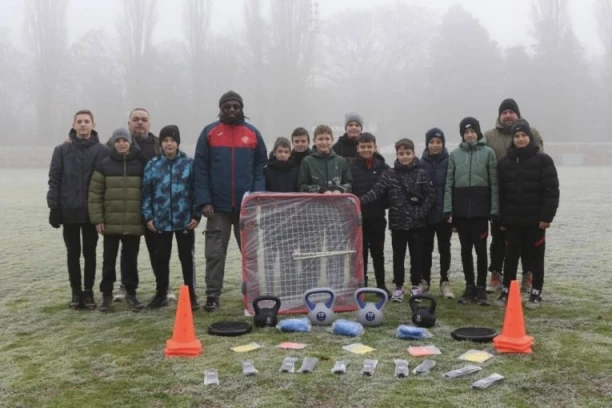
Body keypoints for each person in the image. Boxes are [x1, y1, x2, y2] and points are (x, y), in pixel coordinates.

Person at [194, 91, 268, 312]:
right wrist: (204, 200)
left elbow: (260, 167)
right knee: (215, 253)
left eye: (236, 106)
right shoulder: (209, 132)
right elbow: (200, 169)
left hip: (246, 207)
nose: (232, 110)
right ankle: (213, 296)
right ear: (221, 108)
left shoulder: (253, 133)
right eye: (227, 107)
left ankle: (254, 293)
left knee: (250, 253)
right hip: (217, 208)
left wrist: (256, 196)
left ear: (241, 108)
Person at [47, 110, 109, 309]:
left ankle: (88, 291)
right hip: (69, 210)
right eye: (79, 122)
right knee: (72, 253)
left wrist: (103, 210)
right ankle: (76, 291)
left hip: (91, 211)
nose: (83, 125)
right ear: (73, 125)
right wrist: (54, 206)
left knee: (90, 253)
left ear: (93, 124)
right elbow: (54, 180)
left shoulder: (103, 151)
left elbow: (107, 182)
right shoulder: (61, 150)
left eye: (87, 121)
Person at [361, 138, 435, 303]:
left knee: (416, 256)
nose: (404, 156)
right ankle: (399, 287)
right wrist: (359, 200)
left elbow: (431, 195)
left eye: (407, 153)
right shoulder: (389, 174)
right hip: (397, 224)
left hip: (417, 224)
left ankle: (416, 286)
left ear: (413, 154)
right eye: (401, 153)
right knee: (398, 256)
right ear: (397, 155)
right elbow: (376, 191)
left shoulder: (422, 173)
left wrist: (420, 213)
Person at [495, 119, 559, 309]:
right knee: (511, 256)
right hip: (513, 220)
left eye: (524, 135)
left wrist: (546, 217)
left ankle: (535, 293)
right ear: (512, 139)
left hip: (535, 221)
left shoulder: (543, 160)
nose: (520, 139)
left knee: (535, 258)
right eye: (517, 136)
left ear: (529, 138)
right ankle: (507, 290)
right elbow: (501, 194)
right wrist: (503, 218)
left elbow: (551, 190)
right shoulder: (505, 163)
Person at [484, 98, 544, 294]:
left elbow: (539, 162)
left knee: (527, 242)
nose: (508, 115)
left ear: (517, 114)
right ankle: (496, 274)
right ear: (500, 116)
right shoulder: (490, 136)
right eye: (504, 112)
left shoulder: (532, 132)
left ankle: (528, 275)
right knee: (498, 240)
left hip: (526, 199)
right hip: (500, 197)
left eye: (511, 112)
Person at [141, 125, 201, 311]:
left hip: (184, 220)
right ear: (161, 143)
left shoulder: (188, 164)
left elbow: (195, 191)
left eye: (172, 140)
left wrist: (196, 214)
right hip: (160, 221)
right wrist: (148, 216)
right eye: (165, 140)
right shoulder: (153, 164)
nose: (169, 144)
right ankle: (161, 294)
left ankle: (191, 294)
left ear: (177, 143)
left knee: (186, 258)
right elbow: (146, 193)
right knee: (161, 258)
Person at [89, 128, 148, 312]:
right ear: (113, 143)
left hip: (133, 222)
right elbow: (95, 194)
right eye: (118, 141)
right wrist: (98, 219)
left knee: (131, 260)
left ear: (130, 142)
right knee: (108, 261)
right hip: (110, 223)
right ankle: (106, 294)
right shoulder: (104, 164)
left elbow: (148, 191)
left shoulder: (141, 164)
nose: (121, 143)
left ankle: (131, 292)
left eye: (124, 140)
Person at [444, 117, 498, 306]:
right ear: (462, 135)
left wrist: (494, 209)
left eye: (472, 131)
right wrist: (448, 209)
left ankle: (481, 288)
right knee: (466, 251)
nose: (469, 135)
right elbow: (449, 184)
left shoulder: (488, 153)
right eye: (466, 132)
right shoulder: (454, 155)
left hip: (481, 212)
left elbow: (494, 184)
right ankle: (469, 287)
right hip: (461, 213)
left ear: (478, 132)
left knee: (481, 251)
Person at [298, 125, 353, 293]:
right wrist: (321, 191)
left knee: (335, 253)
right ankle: (310, 289)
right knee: (312, 253)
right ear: (314, 141)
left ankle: (335, 290)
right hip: (313, 215)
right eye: (320, 139)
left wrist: (341, 190)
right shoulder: (307, 161)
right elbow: (301, 186)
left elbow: (349, 182)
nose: (324, 142)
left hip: (336, 215)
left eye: (327, 139)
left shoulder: (341, 161)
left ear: (332, 140)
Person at [349, 132, 390, 295]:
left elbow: (387, 192)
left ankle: (381, 284)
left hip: (378, 218)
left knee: (378, 253)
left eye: (369, 146)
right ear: (358, 148)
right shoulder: (352, 168)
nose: (366, 149)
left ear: (375, 147)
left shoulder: (384, 168)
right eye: (363, 146)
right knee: (361, 253)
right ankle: (362, 284)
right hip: (359, 219)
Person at [419, 128, 454, 299]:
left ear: (443, 144)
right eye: (432, 142)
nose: (435, 145)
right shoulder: (420, 162)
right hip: (426, 214)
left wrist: (450, 210)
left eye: (438, 142)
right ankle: (424, 281)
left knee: (444, 248)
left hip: (443, 214)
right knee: (425, 249)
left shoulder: (449, 161)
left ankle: (444, 282)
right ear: (427, 144)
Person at [263, 137, 299, 295]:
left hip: (290, 220)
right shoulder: (267, 169)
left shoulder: (295, 170)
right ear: (274, 152)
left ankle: (288, 288)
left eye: (286, 151)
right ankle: (269, 288)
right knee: (269, 257)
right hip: (270, 220)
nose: (283, 154)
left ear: (290, 153)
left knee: (288, 257)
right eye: (280, 151)